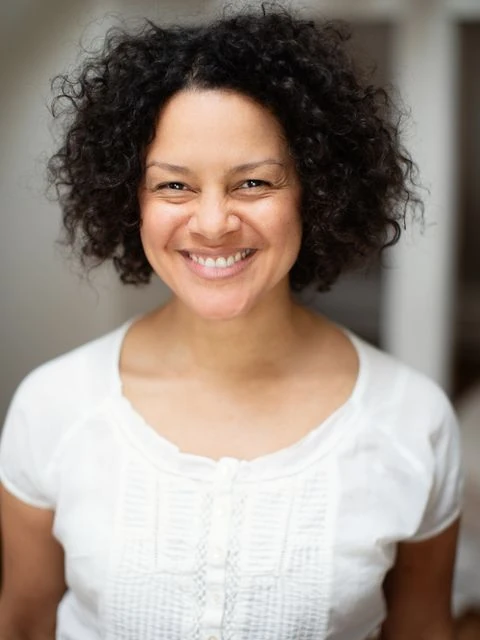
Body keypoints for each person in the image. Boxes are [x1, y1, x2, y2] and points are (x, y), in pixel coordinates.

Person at [0, 5, 463, 640]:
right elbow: (24, 623)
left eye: (253, 183)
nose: (214, 223)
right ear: (130, 198)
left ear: (315, 191)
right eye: (174, 186)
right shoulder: (53, 406)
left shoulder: (413, 420)